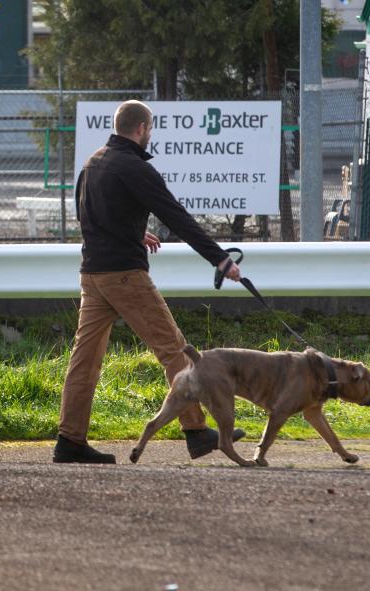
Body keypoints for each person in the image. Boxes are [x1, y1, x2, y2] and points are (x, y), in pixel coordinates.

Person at [54, 100, 246, 464]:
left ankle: (69, 440)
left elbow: (89, 212)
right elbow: (177, 216)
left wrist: (134, 231)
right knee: (174, 350)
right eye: (150, 130)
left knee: (84, 361)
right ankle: (195, 431)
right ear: (141, 128)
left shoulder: (94, 161)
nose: (150, 135)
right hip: (125, 275)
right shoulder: (134, 166)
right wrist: (220, 260)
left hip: (92, 274)